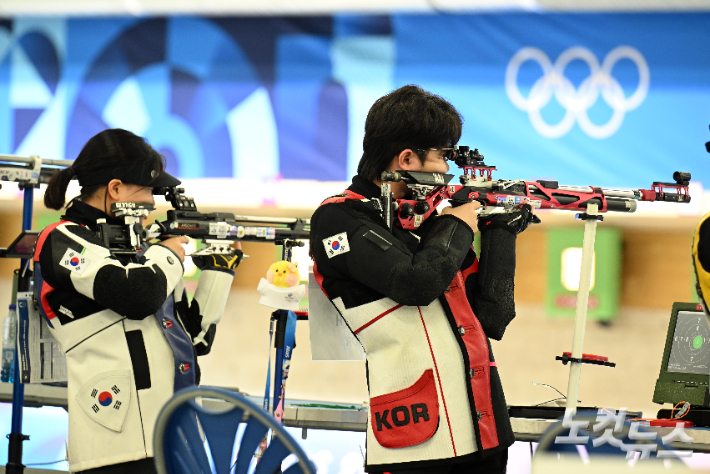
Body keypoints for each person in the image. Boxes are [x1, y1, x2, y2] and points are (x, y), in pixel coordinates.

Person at [309, 85, 536, 474]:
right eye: (444, 156)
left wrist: (501, 232)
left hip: (485, 433)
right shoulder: (339, 218)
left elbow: (493, 317)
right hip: (415, 443)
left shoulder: (429, 225)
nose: (448, 171)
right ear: (407, 157)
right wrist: (456, 222)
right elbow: (415, 284)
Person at [33, 129, 241, 474]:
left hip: (177, 436)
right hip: (115, 442)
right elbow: (137, 295)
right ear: (115, 189)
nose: (152, 203)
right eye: (147, 190)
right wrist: (166, 253)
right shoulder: (62, 239)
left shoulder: (145, 254)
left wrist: (219, 270)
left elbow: (195, 340)